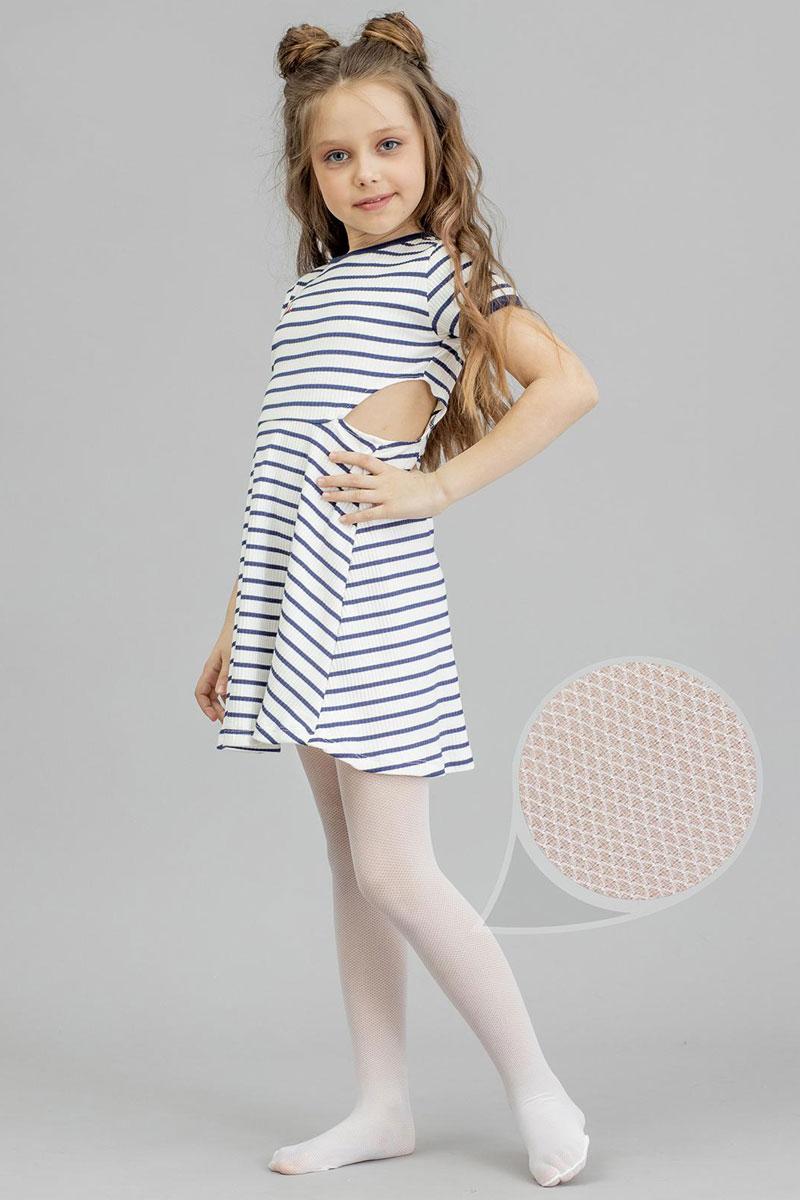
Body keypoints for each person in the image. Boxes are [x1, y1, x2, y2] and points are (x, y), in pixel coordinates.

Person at [195, 11, 598, 1188]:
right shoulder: (310, 300)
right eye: (336, 155)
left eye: (386, 146)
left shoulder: (445, 272)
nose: (364, 174)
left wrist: (435, 488)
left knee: (393, 872)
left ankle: (538, 1087)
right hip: (297, 603)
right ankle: (380, 1104)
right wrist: (236, 622)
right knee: (351, 869)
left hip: (370, 604)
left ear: (431, 147)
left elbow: (566, 384)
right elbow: (282, 474)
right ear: (308, 175)